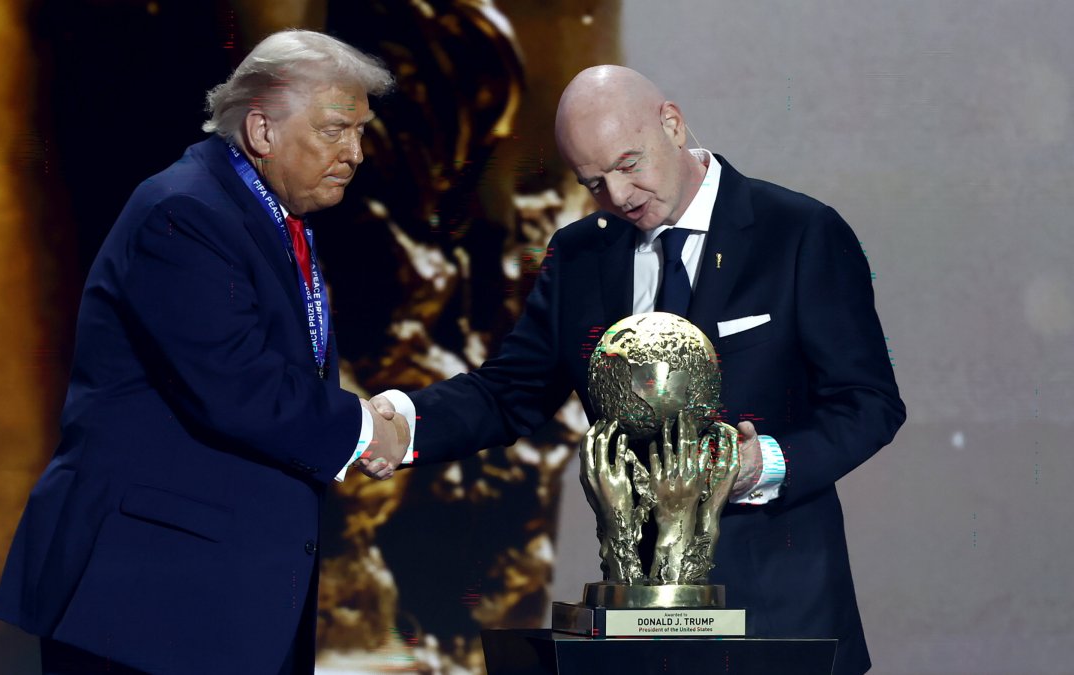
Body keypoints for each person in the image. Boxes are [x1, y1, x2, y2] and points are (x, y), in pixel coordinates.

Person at [368, 65, 905, 675]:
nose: (619, 196)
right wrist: (405, 424)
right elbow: (509, 391)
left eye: (629, 165)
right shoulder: (580, 254)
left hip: (780, 614)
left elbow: (868, 402)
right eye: (594, 182)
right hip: (638, 626)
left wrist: (765, 463)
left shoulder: (799, 232)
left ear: (671, 125)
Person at [0, 30, 408, 675]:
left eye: (360, 132)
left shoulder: (267, 216)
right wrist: (363, 428)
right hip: (146, 604)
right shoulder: (185, 213)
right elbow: (236, 384)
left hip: (219, 601)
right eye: (335, 130)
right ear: (262, 130)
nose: (354, 153)